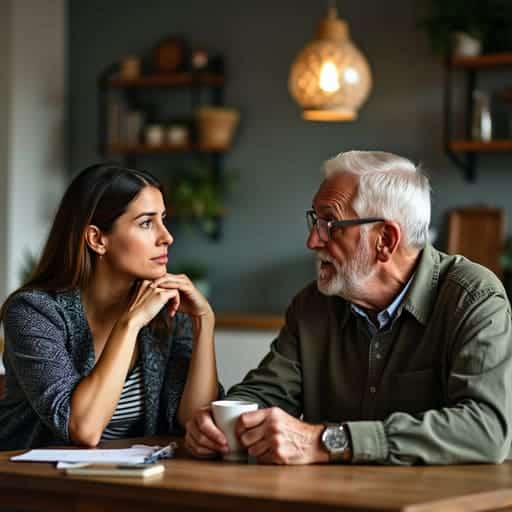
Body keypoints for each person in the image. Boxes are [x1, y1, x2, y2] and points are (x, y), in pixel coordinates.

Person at [185, 150, 512, 465]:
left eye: (330, 223)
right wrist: (220, 420)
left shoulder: (472, 298)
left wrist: (327, 441)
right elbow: (268, 391)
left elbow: (486, 429)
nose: (312, 241)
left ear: (385, 239)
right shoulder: (313, 305)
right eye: (315, 221)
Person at [0, 163, 221, 450]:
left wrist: (204, 321)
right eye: (146, 223)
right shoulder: (32, 312)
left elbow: (195, 423)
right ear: (97, 238)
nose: (167, 237)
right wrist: (129, 324)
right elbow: (84, 428)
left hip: (134, 483)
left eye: (163, 219)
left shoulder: (166, 312)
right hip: (36, 486)